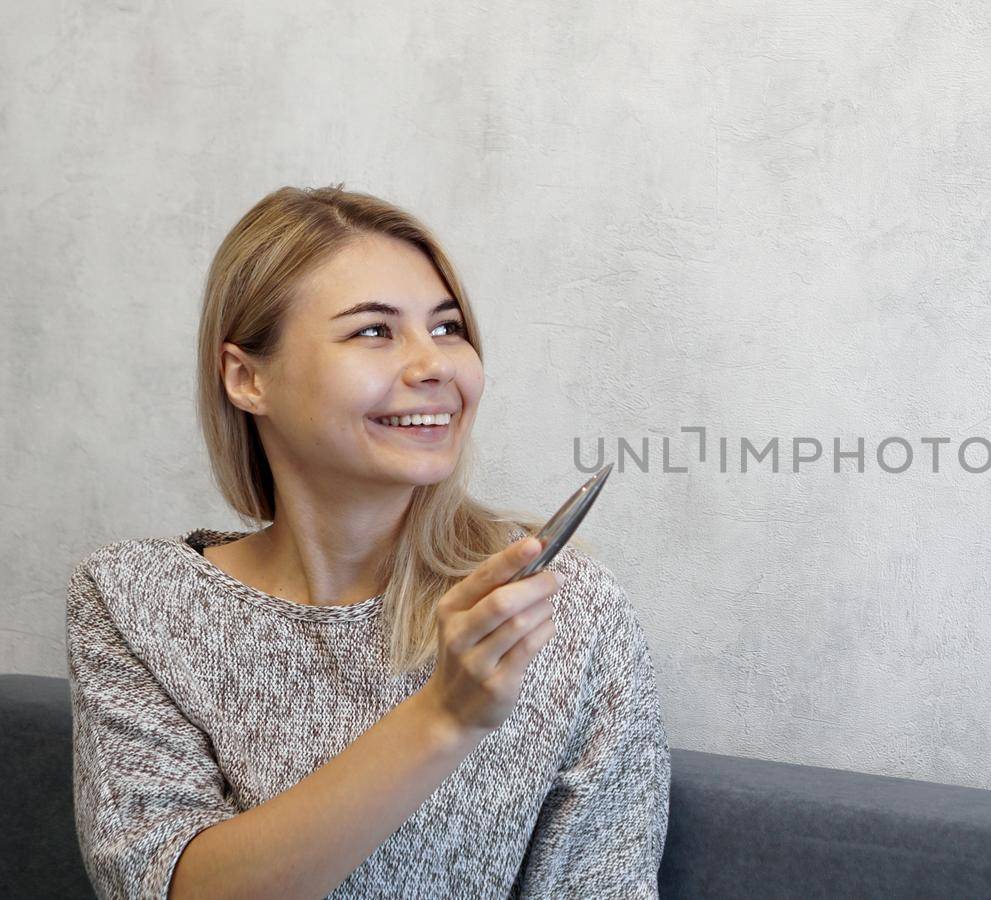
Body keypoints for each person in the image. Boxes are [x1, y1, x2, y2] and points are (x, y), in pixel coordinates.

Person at [64, 183, 671, 899]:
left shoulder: (564, 613)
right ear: (246, 376)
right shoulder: (132, 602)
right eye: (374, 332)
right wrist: (443, 717)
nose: (435, 365)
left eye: (447, 328)